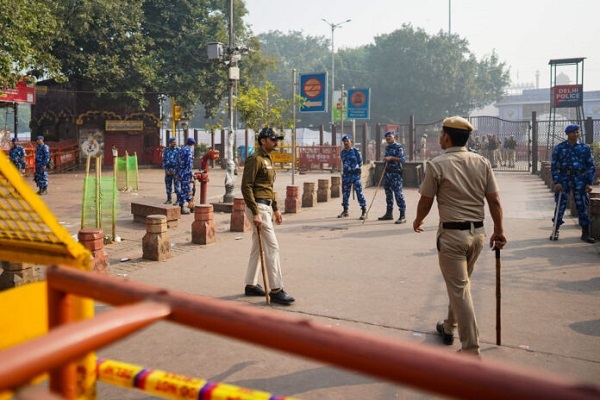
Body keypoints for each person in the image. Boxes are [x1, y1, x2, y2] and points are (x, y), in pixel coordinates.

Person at [412, 116, 507, 357]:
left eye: (441, 134)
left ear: (446, 137)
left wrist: (418, 220)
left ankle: (471, 350)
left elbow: (426, 200)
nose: (439, 138)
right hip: (478, 235)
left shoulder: (437, 164)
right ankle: (448, 326)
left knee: (460, 290)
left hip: (453, 237)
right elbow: (494, 199)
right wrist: (499, 230)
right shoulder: (482, 162)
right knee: (460, 285)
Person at [241, 126, 295, 305]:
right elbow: (246, 187)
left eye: (277, 139)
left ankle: (250, 284)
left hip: (266, 207)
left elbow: (269, 188)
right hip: (258, 208)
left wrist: (276, 208)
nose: (276, 142)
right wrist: (255, 212)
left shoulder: (268, 159)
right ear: (263, 141)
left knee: (258, 247)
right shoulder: (254, 159)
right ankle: (276, 289)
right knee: (272, 247)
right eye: (273, 139)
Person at [550, 124, 596, 243]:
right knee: (560, 205)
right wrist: (557, 181)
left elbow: (590, 165)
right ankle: (555, 230)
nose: (575, 134)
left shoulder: (584, 148)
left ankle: (585, 232)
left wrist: (589, 182)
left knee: (582, 205)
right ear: (567, 134)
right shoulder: (560, 148)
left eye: (577, 132)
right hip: (565, 178)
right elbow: (554, 166)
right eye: (573, 132)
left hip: (580, 178)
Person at [378, 130, 407, 224]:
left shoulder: (398, 146)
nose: (387, 138)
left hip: (395, 174)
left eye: (389, 136)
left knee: (398, 194)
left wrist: (391, 158)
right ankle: (389, 213)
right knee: (388, 194)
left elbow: (402, 159)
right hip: (387, 173)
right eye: (386, 137)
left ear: (394, 137)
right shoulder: (387, 147)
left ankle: (402, 215)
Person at [338, 134, 367, 219]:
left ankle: (364, 210)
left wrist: (355, 168)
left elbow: (360, 162)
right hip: (346, 175)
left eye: (347, 141)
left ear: (351, 142)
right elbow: (343, 162)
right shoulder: (342, 152)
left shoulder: (356, 151)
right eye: (344, 141)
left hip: (355, 175)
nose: (346, 143)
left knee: (359, 193)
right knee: (345, 193)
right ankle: (345, 210)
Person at [177, 137, 195, 215]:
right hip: (186, 174)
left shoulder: (181, 150)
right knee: (187, 190)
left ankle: (188, 206)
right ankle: (187, 207)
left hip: (181, 173)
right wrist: (191, 176)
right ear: (193, 144)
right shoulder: (189, 151)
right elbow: (189, 164)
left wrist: (178, 173)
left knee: (184, 189)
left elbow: (177, 162)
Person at [162, 137, 180, 204]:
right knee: (168, 185)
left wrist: (176, 170)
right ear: (170, 143)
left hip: (175, 170)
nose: (175, 143)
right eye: (173, 142)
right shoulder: (166, 150)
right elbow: (164, 160)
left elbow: (180, 161)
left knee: (177, 185)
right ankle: (169, 199)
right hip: (168, 171)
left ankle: (178, 200)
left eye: (175, 142)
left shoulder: (178, 150)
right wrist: (166, 170)